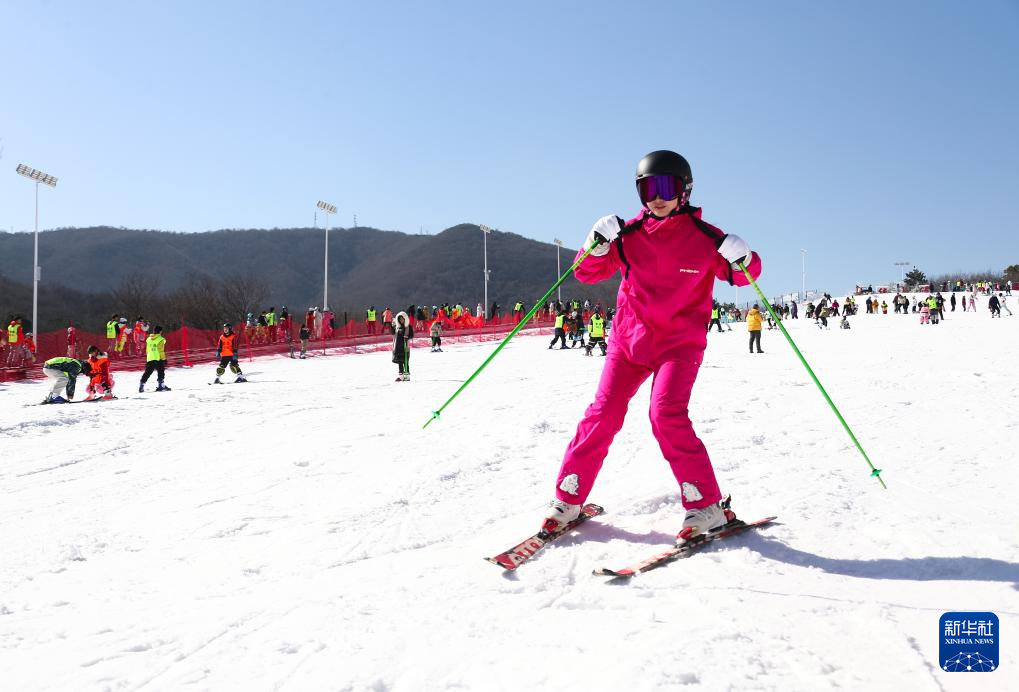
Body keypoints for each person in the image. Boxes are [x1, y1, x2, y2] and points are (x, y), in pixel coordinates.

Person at [543, 149, 763, 544]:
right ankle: (568, 498)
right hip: (629, 343)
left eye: (666, 187)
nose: (657, 197)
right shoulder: (628, 236)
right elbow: (587, 273)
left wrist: (744, 256)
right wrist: (594, 243)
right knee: (603, 413)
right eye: (647, 189)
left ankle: (706, 505)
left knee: (665, 414)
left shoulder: (706, 239)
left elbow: (743, 276)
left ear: (685, 190)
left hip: (679, 345)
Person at [139, 325, 170, 392]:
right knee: (161, 371)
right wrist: (164, 359)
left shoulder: (149, 339)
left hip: (150, 358)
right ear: (160, 331)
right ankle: (161, 386)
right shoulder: (160, 339)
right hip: (158, 358)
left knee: (147, 373)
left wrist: (148, 357)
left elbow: (147, 350)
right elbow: (161, 350)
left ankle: (141, 386)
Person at [392, 311, 413, 381]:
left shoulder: (408, 327)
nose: (401, 320)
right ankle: (401, 376)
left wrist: (407, 337)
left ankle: (407, 376)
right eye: (399, 319)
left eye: (402, 319)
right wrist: (392, 326)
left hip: (405, 346)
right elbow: (393, 333)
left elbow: (411, 335)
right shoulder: (397, 327)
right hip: (398, 347)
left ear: (405, 319)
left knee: (405, 361)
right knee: (400, 361)